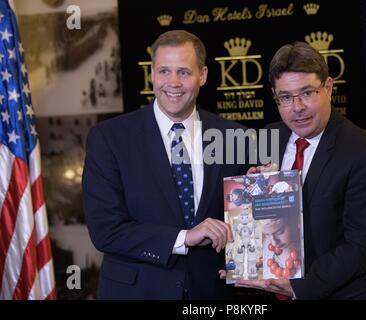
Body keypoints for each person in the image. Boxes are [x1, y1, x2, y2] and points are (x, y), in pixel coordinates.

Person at [82, 30, 249, 299]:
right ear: (151, 74)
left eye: (184, 72)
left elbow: (245, 221)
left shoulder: (235, 137)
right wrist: (184, 238)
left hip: (212, 292)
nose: (173, 82)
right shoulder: (109, 138)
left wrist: (263, 190)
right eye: (164, 71)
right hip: (136, 292)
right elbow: (106, 230)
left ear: (203, 75)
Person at [236, 41, 366, 299]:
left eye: (307, 93)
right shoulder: (266, 137)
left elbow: (364, 245)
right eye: (285, 97)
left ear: (328, 88)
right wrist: (250, 194)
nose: (297, 107)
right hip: (270, 290)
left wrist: (300, 286)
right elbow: (256, 219)